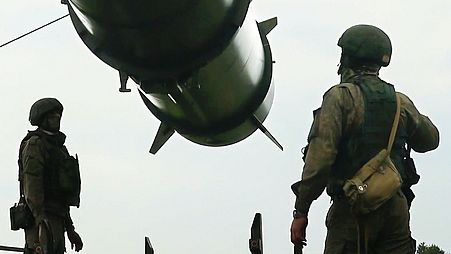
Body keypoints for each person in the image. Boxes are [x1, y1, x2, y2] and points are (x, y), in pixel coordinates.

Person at [290, 25, 440, 254]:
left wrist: (301, 211)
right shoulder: (400, 102)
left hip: (352, 210)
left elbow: (319, 161)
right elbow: (430, 140)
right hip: (394, 211)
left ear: (347, 58)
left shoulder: (340, 98)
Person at [20, 98, 83, 254]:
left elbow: (63, 193)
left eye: (58, 115)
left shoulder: (60, 149)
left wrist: (70, 229)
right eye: (51, 115)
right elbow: (32, 185)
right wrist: (40, 221)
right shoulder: (35, 145)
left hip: (57, 218)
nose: (56, 118)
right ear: (42, 119)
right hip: (41, 219)